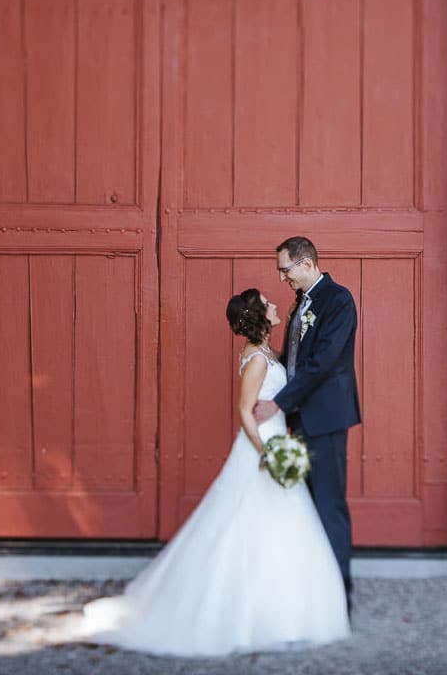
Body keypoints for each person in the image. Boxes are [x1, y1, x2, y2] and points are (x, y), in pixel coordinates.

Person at [79, 289, 350, 657]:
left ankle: (282, 603)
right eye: (267, 304)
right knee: (246, 524)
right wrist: (267, 453)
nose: (274, 306)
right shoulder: (256, 359)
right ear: (257, 316)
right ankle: (243, 609)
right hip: (260, 448)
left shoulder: (269, 353)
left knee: (279, 524)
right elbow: (243, 410)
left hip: (275, 441)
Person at [253, 236, 361, 611]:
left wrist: (277, 403)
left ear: (307, 263)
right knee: (307, 505)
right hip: (301, 417)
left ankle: (339, 597)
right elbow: (297, 361)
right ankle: (314, 590)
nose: (283, 278)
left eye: (285, 270)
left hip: (326, 418)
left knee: (328, 505)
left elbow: (324, 361)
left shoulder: (338, 300)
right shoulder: (302, 304)